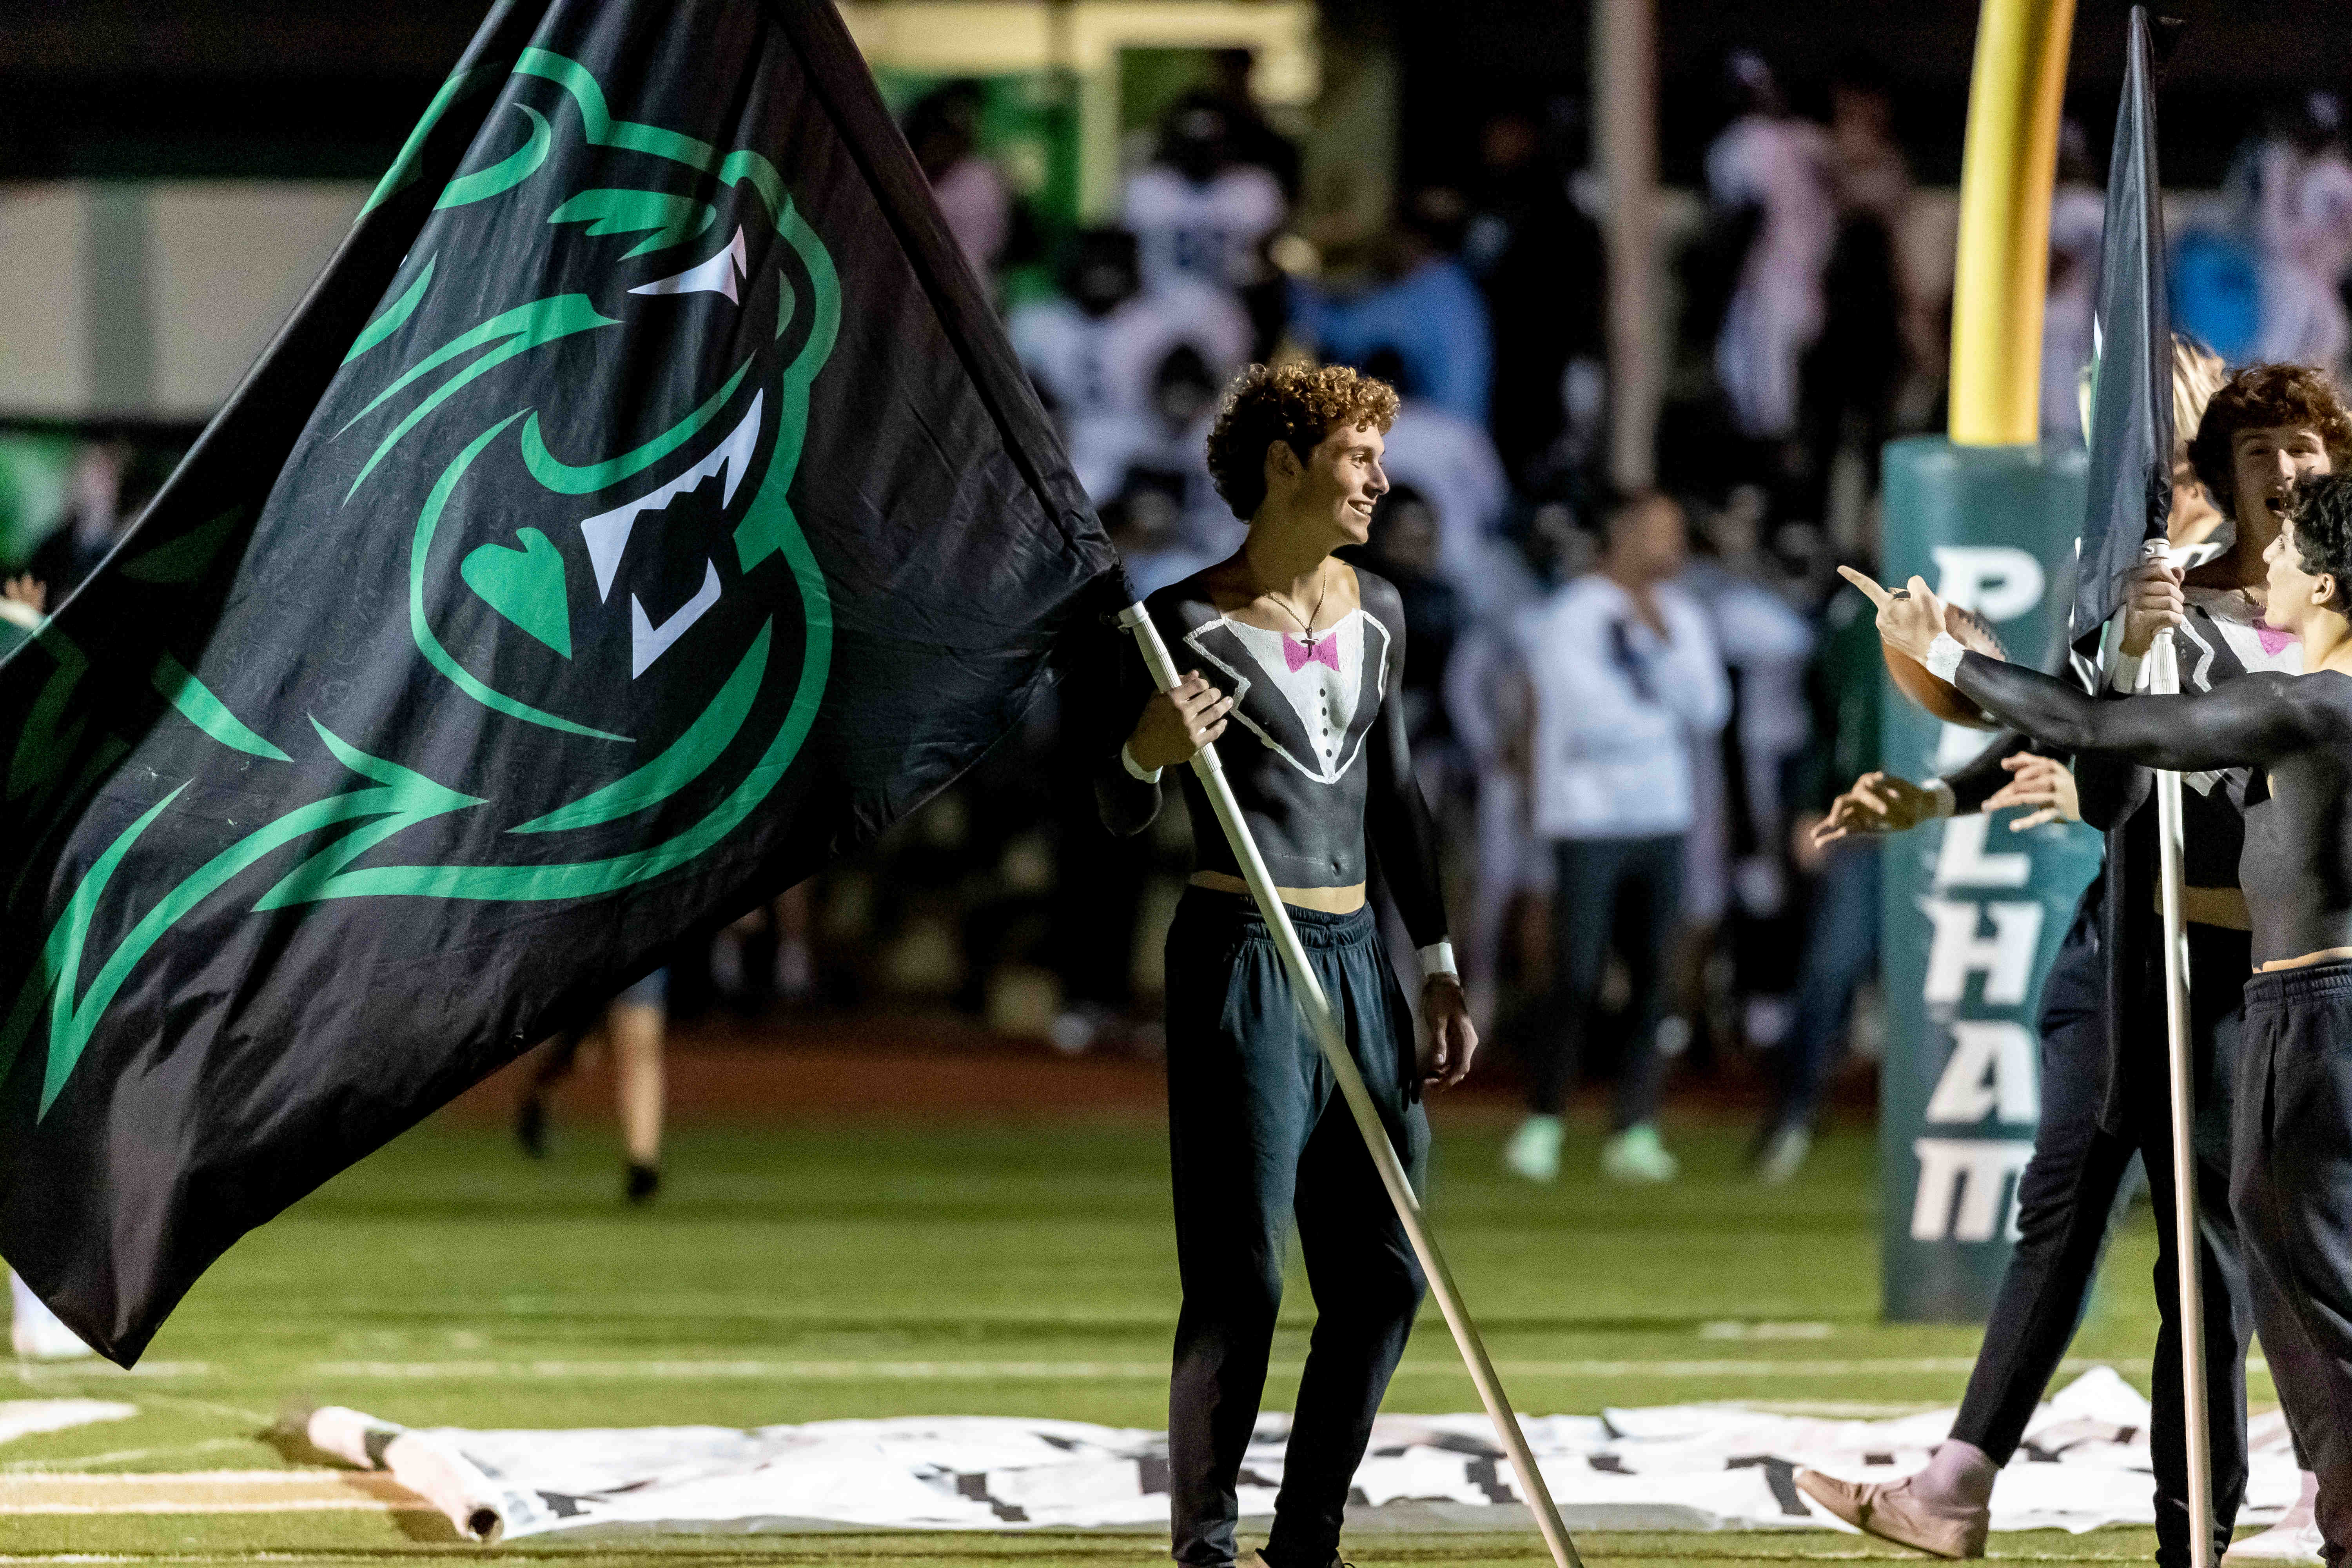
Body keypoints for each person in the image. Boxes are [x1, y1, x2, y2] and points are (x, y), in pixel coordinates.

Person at [1797, 359, 2350, 1564]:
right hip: (2126, 945)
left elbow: (2098, 742)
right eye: (2250, 447)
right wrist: (1958, 780)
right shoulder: (2150, 593)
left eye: (2298, 445)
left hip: (2256, 972)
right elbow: (2098, 768)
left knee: (2216, 1258)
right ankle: (1961, 1478)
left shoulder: (2324, 627)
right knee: (2060, 1203)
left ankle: (2217, 1519)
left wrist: (1978, 680)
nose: (2278, 469)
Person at [1094, 361, 1475, 1568]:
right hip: (1240, 960)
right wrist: (1143, 755)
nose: (1377, 479)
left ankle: (1306, 1533)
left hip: (1362, 959)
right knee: (1240, 1278)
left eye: (1375, 456)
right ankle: (1203, 1546)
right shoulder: (1177, 624)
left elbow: (1397, 795)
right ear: (1284, 464)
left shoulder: (1380, 610)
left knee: (1380, 1275)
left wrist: (1439, 960)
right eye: (1356, 456)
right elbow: (1108, 811)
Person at [1503, 493, 1730, 1185]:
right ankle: (1544, 1120)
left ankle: (1636, 1126)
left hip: (1663, 816)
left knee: (1655, 978)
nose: (1673, 547)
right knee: (1576, 974)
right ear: (1623, 536)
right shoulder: (1570, 616)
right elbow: (1586, 716)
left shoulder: (1681, 617)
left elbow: (1711, 708)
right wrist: (1658, 716)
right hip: (1588, 818)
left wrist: (1660, 652)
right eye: (1659, 532)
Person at [1009, 230, 1249, 505]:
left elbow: (1189, 395)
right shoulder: (1033, 322)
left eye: (1109, 265)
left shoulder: (1162, 323)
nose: (1101, 277)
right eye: (1093, 264)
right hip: (1070, 447)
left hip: (1145, 447)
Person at [1706, 53, 1838, 446]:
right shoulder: (1811, 142)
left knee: (1762, 406)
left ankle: (1776, 488)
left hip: (1766, 288)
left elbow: (1746, 221)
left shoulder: (1740, 145)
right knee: (1797, 404)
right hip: (1811, 286)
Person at [1288, 191, 1494, 428]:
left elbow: (1336, 333)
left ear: (1412, 238)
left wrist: (1296, 275)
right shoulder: (1456, 284)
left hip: (1444, 435)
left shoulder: (1433, 290)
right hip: (1463, 439)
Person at [515, 969, 670, 1203]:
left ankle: (643, 1163)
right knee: (577, 1050)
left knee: (640, 1041)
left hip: (641, 937)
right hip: (588, 944)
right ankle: (538, 1095)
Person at [1121, 94, 1287, 299]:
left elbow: (1273, 262)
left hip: (1235, 307)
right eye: (1193, 143)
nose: (1201, 154)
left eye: (1210, 142)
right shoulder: (1147, 188)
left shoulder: (1255, 188)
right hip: (1157, 308)